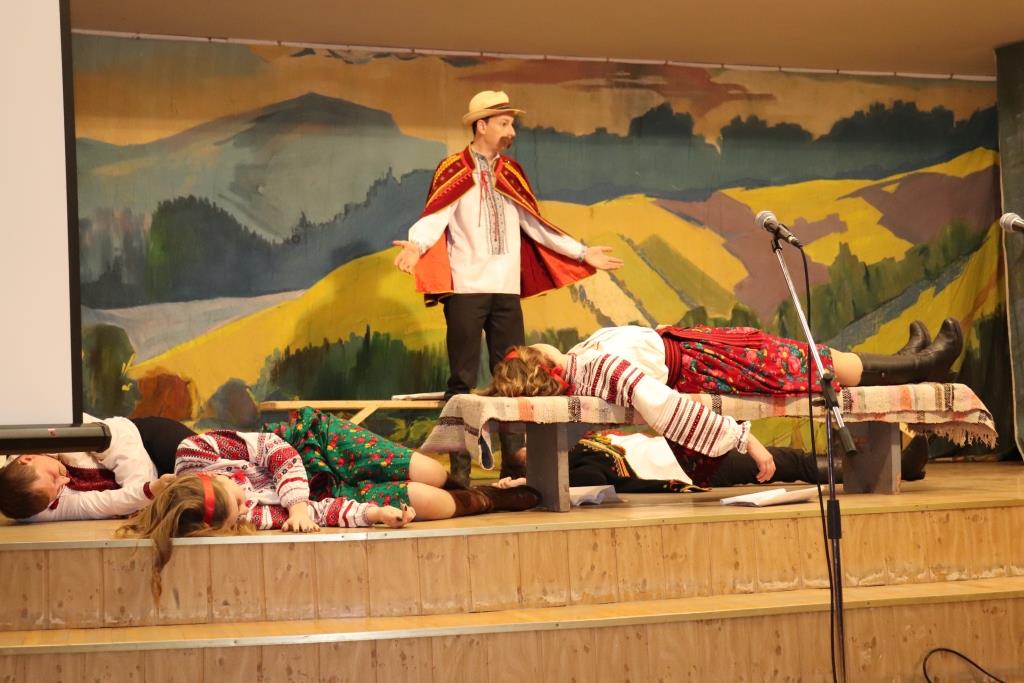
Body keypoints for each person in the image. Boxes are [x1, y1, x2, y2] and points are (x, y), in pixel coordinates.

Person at [393, 90, 624, 482]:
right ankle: (460, 468)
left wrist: (583, 253)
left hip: (505, 289)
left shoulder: (511, 173)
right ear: (481, 125)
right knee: (462, 379)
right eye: (503, 123)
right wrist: (416, 246)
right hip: (466, 288)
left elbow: (537, 225)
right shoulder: (454, 169)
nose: (511, 131)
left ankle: (514, 459)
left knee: (514, 374)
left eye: (511, 123)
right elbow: (435, 217)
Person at [482, 319, 963, 487]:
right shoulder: (595, 369)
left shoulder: (580, 367)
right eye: (532, 351)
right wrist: (743, 439)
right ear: (543, 367)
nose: (535, 344)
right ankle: (922, 364)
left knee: (809, 363)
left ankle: (909, 363)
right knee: (808, 364)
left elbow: (563, 435)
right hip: (707, 361)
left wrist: (531, 473)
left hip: (695, 355)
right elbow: (667, 409)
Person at [120, 422, 541, 601]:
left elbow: (274, 448)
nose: (246, 505)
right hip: (325, 493)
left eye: (237, 498)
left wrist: (295, 503)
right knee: (433, 503)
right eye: (237, 516)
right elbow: (322, 513)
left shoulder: (196, 450)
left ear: (211, 478)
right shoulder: (248, 518)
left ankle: (486, 486)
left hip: (314, 447)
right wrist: (373, 515)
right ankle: (496, 497)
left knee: (432, 472)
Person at [0, 415, 193, 521]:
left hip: (142, 440)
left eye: (53, 477)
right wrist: (149, 491)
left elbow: (120, 442)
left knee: (204, 467)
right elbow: (99, 504)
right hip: (149, 492)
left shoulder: (48, 425)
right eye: (57, 490)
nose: (65, 480)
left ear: (27, 458)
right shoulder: (34, 506)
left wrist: (143, 494)